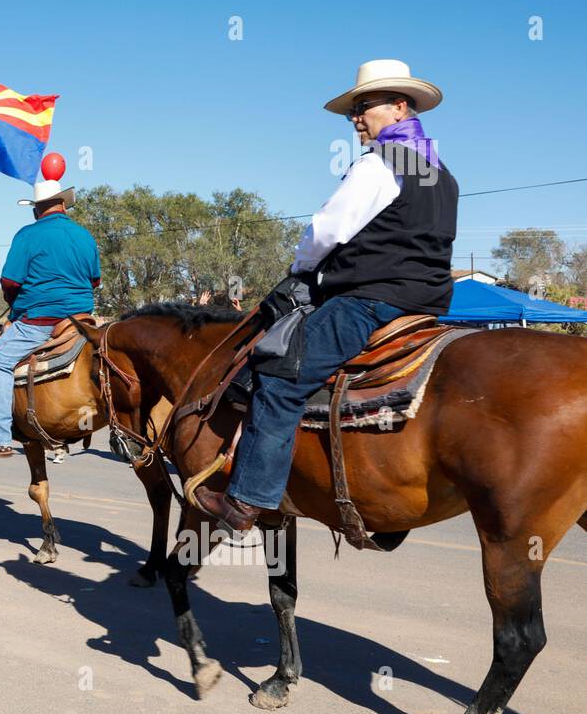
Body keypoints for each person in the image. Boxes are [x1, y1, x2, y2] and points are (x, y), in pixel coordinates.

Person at [195, 59, 457, 532]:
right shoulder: (443, 174)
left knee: (279, 377)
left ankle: (246, 501)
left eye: (364, 107)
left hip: (370, 301)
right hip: (429, 305)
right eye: (352, 111)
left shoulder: (380, 164)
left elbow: (326, 230)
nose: (356, 118)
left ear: (400, 107)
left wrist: (300, 271)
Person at [0, 178, 101, 460]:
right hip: (82, 321)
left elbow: (10, 280)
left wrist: (13, 300)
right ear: (64, 204)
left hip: (41, 322)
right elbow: (95, 280)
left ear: (36, 210)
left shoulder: (27, 235)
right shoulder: (84, 236)